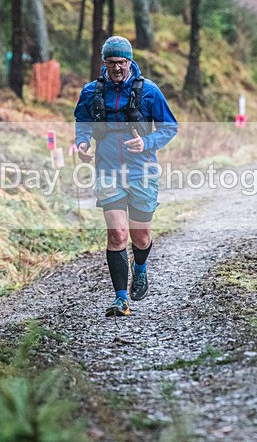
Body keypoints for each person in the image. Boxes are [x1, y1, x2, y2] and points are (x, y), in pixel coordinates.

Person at [74, 36, 178, 316]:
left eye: (121, 62)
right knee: (117, 234)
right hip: (107, 169)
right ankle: (121, 299)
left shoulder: (150, 91)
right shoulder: (91, 91)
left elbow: (170, 127)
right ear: (104, 63)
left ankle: (140, 267)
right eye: (111, 63)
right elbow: (83, 122)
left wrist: (147, 143)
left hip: (142, 170)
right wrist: (82, 143)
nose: (117, 68)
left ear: (130, 61)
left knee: (140, 237)